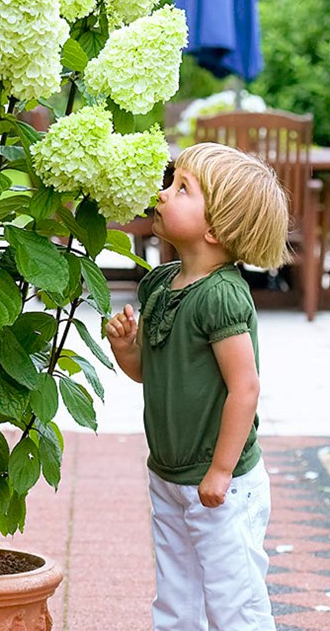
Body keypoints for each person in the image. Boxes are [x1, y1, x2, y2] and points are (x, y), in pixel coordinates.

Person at [106, 142, 289, 631]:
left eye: (181, 188)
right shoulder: (159, 285)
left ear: (216, 228)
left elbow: (244, 388)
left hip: (221, 483)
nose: (163, 194)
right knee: (176, 594)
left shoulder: (223, 297)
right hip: (168, 472)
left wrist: (222, 471)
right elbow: (151, 370)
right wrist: (127, 350)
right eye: (171, 183)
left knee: (235, 601)